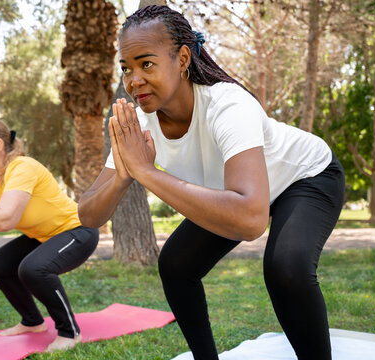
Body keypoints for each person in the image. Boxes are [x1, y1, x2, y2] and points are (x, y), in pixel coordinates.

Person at [78, 5, 344, 360]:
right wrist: (125, 176)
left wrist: (148, 172)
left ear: (182, 58)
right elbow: (89, 215)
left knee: (286, 268)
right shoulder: (140, 124)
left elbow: (250, 221)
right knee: (176, 264)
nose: (133, 80)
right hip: (238, 195)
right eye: (126, 68)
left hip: (306, 176)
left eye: (146, 63)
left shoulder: (227, 105)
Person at [0, 118, 98, 352]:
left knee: (33, 268)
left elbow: (5, 219)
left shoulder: (22, 167)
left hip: (78, 231)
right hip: (46, 235)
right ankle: (33, 322)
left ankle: (70, 332)